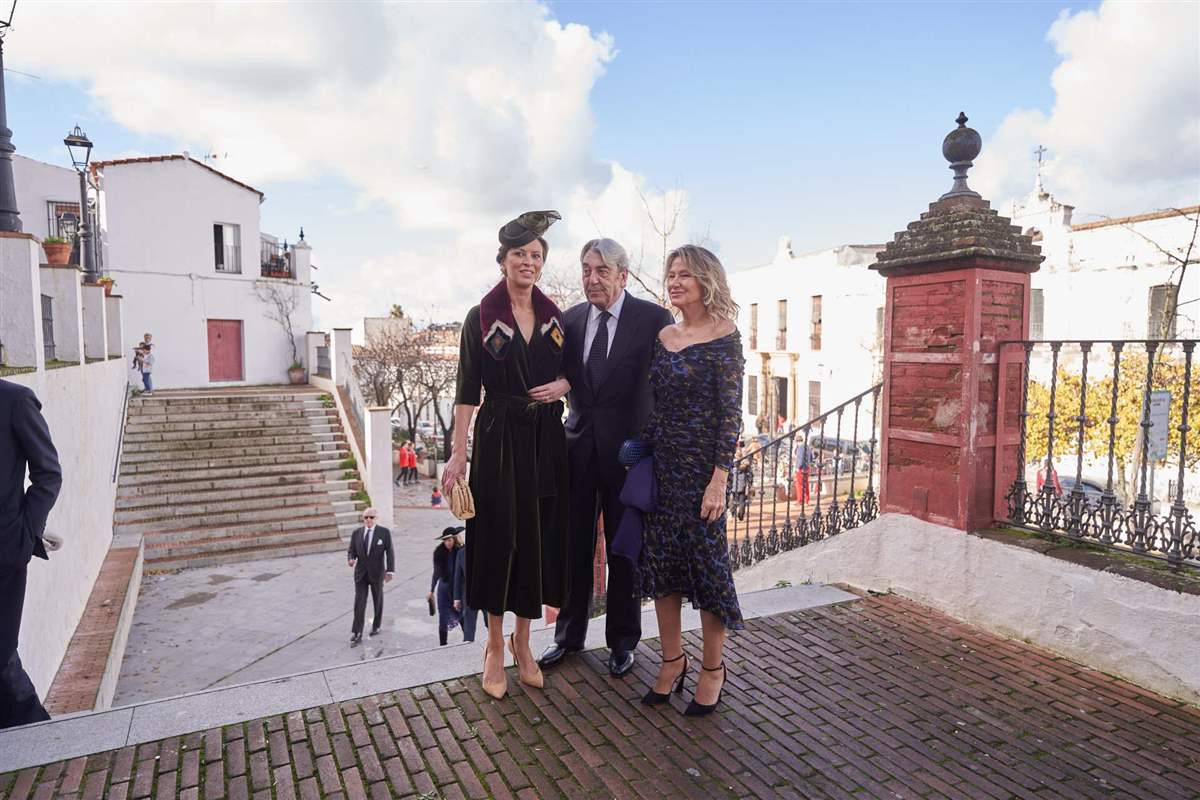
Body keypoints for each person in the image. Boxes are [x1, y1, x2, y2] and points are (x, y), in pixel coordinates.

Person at [442, 210, 571, 700]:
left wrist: (566, 383)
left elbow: (576, 368)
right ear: (503, 260)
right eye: (520, 254)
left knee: (537, 536)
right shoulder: (481, 317)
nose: (528, 262)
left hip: (544, 437)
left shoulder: (555, 315)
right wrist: (458, 454)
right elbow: (465, 391)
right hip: (498, 437)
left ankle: (523, 639)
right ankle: (494, 645)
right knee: (500, 538)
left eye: (536, 255)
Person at [538, 237, 673, 678]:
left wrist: (657, 449)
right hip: (576, 451)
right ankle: (568, 637)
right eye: (585, 270)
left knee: (623, 551)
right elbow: (560, 373)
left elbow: (668, 389)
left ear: (622, 275)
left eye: (601, 271)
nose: (591, 279)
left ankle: (622, 642)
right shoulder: (571, 320)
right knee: (574, 546)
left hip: (628, 458)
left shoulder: (653, 319)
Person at [639, 245, 744, 716]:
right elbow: (654, 404)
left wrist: (719, 479)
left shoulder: (725, 337)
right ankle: (672, 659)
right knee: (663, 569)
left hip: (703, 475)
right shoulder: (663, 336)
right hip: (664, 468)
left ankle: (713, 669)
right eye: (671, 274)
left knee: (708, 571)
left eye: (685, 275)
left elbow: (730, 416)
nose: (675, 282)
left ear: (706, 280)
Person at [1, 379, 63, 728]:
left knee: (2, 653)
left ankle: (36, 738)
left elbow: (48, 474)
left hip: (5, 550)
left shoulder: (15, 400)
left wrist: (27, 531)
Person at [346, 507, 394, 645]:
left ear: (376, 519)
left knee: (377, 599)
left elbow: (389, 552)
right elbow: (351, 551)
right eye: (366, 517)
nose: (368, 520)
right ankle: (357, 631)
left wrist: (390, 571)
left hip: (377, 573)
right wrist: (351, 559)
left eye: (371, 517)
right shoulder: (357, 533)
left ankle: (376, 625)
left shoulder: (384, 533)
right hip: (360, 573)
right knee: (359, 602)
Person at [428, 527, 465, 646]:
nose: (448, 542)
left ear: (454, 539)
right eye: (445, 540)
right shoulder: (439, 553)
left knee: (462, 615)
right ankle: (442, 644)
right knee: (443, 617)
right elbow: (436, 572)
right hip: (444, 590)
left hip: (457, 589)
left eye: (449, 540)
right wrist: (432, 590)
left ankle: (469, 640)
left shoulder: (460, 551)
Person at [452, 535, 481, 642]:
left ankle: (493, 645)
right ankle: (467, 648)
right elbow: (458, 577)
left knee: (492, 624)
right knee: (469, 627)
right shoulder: (461, 553)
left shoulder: (486, 549)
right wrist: (457, 598)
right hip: (469, 596)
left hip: (486, 594)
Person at [794, 437, 812, 505]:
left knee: (799, 485)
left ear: (797, 442)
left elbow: (800, 459)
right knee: (806, 484)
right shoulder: (807, 447)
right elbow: (811, 458)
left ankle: (800, 500)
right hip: (807, 467)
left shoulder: (800, 448)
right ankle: (807, 500)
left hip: (801, 469)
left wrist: (798, 467)